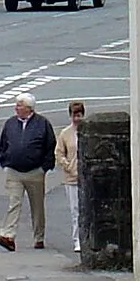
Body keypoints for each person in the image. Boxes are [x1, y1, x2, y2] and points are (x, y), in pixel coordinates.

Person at [0, 93, 56, 252]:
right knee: (14, 203)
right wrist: (4, 160)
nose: (16, 107)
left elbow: (50, 146)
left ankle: (39, 237)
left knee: (37, 206)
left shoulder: (42, 123)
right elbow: (3, 143)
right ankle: (7, 235)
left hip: (35, 171)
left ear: (29, 108)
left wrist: (45, 167)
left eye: (19, 105)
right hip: (14, 171)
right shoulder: (10, 123)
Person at [56, 100, 87, 253]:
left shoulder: (88, 131)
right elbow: (59, 153)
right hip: (72, 178)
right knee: (75, 210)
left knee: (86, 210)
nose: (77, 119)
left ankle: (86, 238)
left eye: (79, 115)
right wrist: (67, 165)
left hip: (86, 178)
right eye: (74, 115)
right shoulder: (65, 133)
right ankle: (77, 240)